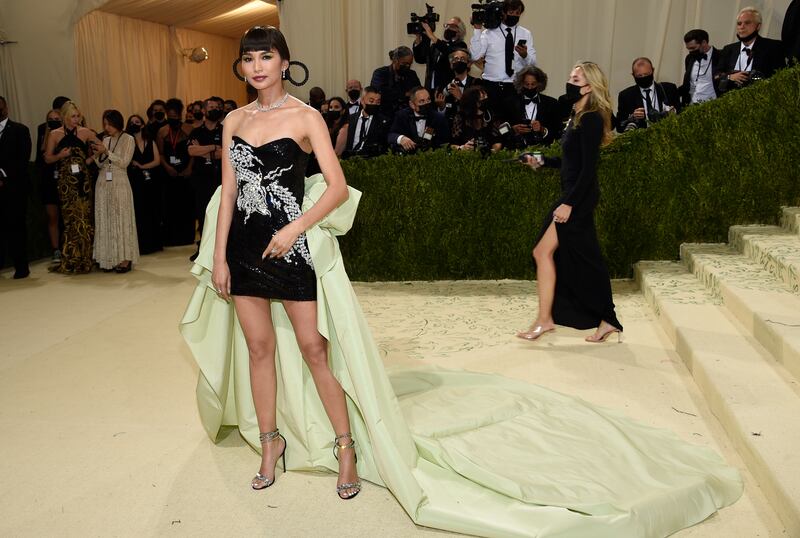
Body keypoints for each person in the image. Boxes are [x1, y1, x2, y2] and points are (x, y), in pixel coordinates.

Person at [182, 28, 744, 538]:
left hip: (293, 245)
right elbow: (229, 193)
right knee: (258, 349)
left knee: (313, 350)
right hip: (243, 250)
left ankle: (347, 447)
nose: (257, 66)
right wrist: (220, 258)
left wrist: (295, 229)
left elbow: (335, 188)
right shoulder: (235, 122)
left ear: (285, 62)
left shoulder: (305, 117)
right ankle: (269, 444)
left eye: (267, 56)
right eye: (249, 59)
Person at [518, 61, 623, 343]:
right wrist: (541, 161)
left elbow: (589, 169)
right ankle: (601, 319)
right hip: (575, 195)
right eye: (570, 76)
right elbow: (570, 163)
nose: (569, 81)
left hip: (577, 198)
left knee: (547, 253)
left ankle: (547, 320)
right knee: (583, 259)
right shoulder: (576, 115)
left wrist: (569, 204)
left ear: (589, 85)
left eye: (575, 78)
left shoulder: (590, 118)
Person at [44, 101, 101, 274]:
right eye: (73, 116)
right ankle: (72, 258)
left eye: (78, 116)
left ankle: (86, 258)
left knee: (85, 218)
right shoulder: (54, 134)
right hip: (66, 183)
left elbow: (102, 147)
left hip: (83, 181)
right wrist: (60, 155)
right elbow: (47, 159)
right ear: (65, 117)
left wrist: (89, 160)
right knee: (70, 220)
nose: (76, 119)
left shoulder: (85, 132)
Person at [469, 0, 536, 122]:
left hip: (514, 87)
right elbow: (475, 55)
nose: (514, 15)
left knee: (513, 123)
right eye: (511, 12)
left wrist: (525, 55)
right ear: (503, 13)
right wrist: (477, 30)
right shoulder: (488, 33)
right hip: (491, 86)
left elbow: (532, 64)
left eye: (517, 13)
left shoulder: (525, 33)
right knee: (491, 123)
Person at [93, 109, 139, 273]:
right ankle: (108, 258)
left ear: (117, 123)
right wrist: (98, 155)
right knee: (106, 217)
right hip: (103, 182)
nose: (107, 128)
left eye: (109, 124)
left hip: (120, 182)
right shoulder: (104, 140)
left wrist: (107, 152)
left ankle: (125, 259)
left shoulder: (128, 139)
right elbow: (100, 164)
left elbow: (124, 162)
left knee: (122, 217)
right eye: (105, 124)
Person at [716, 7, 787, 93]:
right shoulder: (728, 49)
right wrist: (730, 77)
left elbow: (780, 78)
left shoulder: (773, 47)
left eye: (747, 23)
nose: (742, 27)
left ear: (758, 26)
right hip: (729, 102)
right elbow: (716, 76)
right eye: (739, 23)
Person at [0, 95, 33, 279]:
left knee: (16, 227)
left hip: (14, 188)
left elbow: (23, 158)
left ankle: (21, 267)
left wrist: (3, 174)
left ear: (6, 109)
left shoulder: (20, 130)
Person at [188, 97, 224, 260]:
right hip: (201, 179)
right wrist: (213, 148)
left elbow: (225, 153)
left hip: (221, 179)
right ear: (203, 111)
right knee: (202, 214)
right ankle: (203, 250)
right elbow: (192, 151)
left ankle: (221, 251)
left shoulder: (225, 130)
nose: (214, 109)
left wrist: (203, 150)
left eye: (217, 107)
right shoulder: (196, 131)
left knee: (221, 214)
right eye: (211, 107)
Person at [157, 98, 195, 246]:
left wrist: (189, 167)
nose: (173, 118)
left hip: (186, 173)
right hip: (169, 174)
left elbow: (193, 152)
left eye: (175, 116)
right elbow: (160, 154)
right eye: (170, 116)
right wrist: (167, 167)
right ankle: (171, 238)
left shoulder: (189, 129)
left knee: (186, 205)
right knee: (170, 206)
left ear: (180, 114)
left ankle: (186, 237)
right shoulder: (162, 132)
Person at [126, 114, 163, 255]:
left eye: (137, 122)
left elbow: (157, 160)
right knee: (138, 211)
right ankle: (140, 245)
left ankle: (154, 243)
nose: (135, 124)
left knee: (152, 210)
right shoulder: (127, 141)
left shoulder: (150, 141)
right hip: (134, 180)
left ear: (142, 125)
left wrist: (142, 166)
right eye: (132, 122)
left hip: (150, 180)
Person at [616, 58, 680, 133]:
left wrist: (673, 112)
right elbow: (619, 127)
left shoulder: (669, 89)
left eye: (646, 74)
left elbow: (681, 114)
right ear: (633, 75)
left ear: (653, 71)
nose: (643, 78)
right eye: (639, 76)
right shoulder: (626, 96)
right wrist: (632, 118)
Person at [38, 108, 65, 265]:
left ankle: (69, 247)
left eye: (57, 118)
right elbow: (43, 159)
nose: (54, 121)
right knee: (52, 217)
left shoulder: (66, 135)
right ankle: (56, 249)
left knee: (67, 217)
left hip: (65, 181)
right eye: (51, 119)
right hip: (49, 182)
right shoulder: (44, 136)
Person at [510, 65, 561, 147]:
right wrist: (513, 130)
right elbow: (500, 131)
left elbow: (558, 131)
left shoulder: (552, 103)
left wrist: (542, 130)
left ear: (539, 84)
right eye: (527, 84)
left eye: (533, 84)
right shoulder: (510, 103)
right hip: (516, 150)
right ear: (521, 83)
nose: (530, 88)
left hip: (544, 150)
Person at [412, 17, 468, 91]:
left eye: (452, 26)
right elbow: (420, 59)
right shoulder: (436, 46)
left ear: (460, 31)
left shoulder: (461, 45)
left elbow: (449, 51)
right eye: (446, 25)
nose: (448, 28)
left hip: (448, 88)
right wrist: (418, 38)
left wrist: (431, 35)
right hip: (430, 88)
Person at [389, 86, 451, 153]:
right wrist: (401, 138)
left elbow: (445, 143)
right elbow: (391, 135)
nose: (426, 103)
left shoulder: (438, 118)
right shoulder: (402, 116)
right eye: (422, 101)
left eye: (428, 100)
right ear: (412, 104)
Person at [336, 86, 390, 158]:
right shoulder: (350, 119)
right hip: (349, 160)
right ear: (362, 101)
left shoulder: (383, 121)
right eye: (371, 101)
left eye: (378, 102)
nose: (374, 104)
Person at [370, 46, 422, 119]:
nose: (407, 66)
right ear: (395, 60)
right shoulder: (380, 73)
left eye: (410, 64)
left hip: (406, 117)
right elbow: (379, 93)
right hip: (385, 116)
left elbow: (418, 93)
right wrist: (405, 94)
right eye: (404, 63)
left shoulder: (412, 74)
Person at [450, 86, 502, 152]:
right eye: (483, 99)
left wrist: (490, 151)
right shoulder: (461, 117)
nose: (486, 101)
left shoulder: (491, 115)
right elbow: (453, 144)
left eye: (486, 97)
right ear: (474, 102)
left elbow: (497, 141)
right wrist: (462, 148)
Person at [680, 29, 721, 106]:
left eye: (693, 48)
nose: (690, 51)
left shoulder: (720, 56)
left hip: (713, 105)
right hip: (691, 106)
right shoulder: (689, 58)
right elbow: (688, 83)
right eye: (688, 49)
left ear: (704, 43)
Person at [441, 48, 479, 126]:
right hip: (448, 127)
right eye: (456, 59)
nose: (459, 61)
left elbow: (477, 110)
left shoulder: (476, 84)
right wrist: (441, 107)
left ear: (468, 64)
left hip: (468, 127)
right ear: (451, 64)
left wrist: (461, 98)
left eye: (462, 59)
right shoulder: (444, 84)